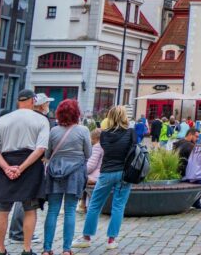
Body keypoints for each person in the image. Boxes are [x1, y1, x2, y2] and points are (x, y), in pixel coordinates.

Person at [0, 89, 50, 255]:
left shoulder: (3, 119)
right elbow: (40, 149)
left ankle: (0, 250)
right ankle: (26, 249)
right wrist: (21, 168)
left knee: (3, 210)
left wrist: (6, 167)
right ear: (33, 100)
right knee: (30, 209)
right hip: (31, 166)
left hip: (7, 163)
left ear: (18, 101)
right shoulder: (41, 120)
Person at [72, 105, 135, 250]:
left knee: (94, 204)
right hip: (124, 173)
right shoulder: (131, 133)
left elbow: (105, 150)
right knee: (118, 206)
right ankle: (111, 240)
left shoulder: (104, 135)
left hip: (106, 172)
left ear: (110, 117)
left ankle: (86, 237)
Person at [41, 98, 92, 255]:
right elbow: (88, 153)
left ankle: (47, 248)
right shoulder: (83, 131)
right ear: (76, 114)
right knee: (70, 210)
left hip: (55, 172)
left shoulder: (54, 131)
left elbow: (47, 154)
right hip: (75, 173)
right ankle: (66, 249)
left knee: (53, 210)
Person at [79, 129, 103, 214]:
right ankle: (82, 204)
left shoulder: (97, 147)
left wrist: (82, 170)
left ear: (96, 138)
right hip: (101, 174)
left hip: (96, 176)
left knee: (80, 178)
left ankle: (83, 204)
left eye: (91, 139)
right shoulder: (105, 145)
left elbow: (91, 166)